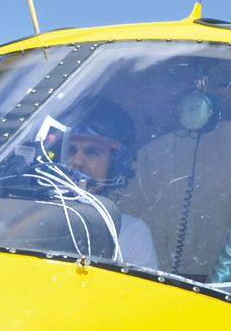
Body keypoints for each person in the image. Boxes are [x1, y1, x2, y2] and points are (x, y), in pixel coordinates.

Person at [56, 101, 158, 269]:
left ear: (115, 163)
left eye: (91, 152)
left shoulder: (132, 233)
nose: (76, 161)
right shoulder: (33, 217)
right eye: (71, 150)